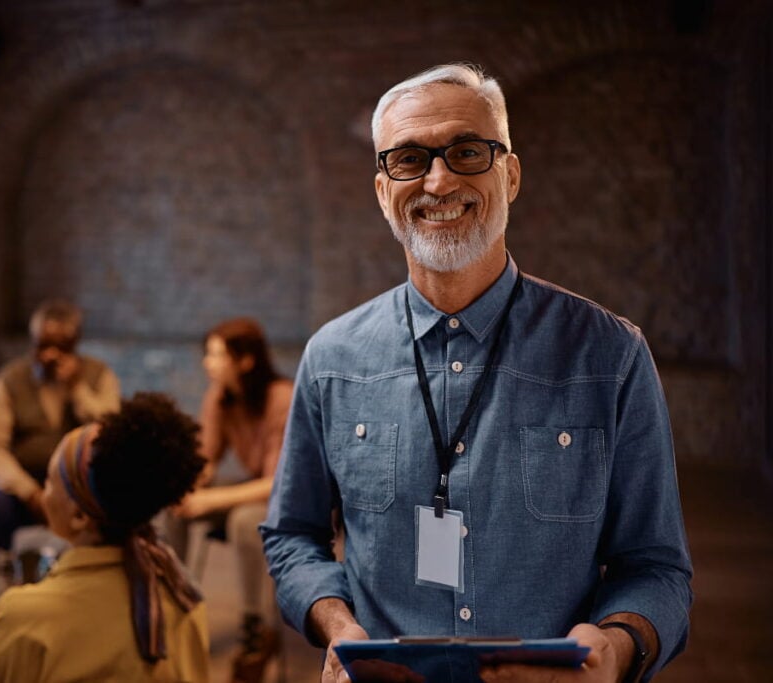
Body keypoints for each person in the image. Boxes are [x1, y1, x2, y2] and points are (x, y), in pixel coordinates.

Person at [260, 63, 692, 683]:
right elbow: (293, 536)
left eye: (466, 151)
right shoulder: (333, 358)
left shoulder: (609, 356)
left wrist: (616, 648)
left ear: (510, 175)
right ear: (383, 190)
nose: (437, 180)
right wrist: (338, 624)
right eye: (408, 159)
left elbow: (656, 566)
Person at [0, 392, 209, 683]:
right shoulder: (185, 600)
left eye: (50, 482)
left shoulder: (26, 621)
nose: (44, 491)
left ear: (78, 516)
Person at [168, 318, 293, 683]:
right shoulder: (220, 397)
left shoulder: (280, 399)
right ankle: (170, 599)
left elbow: (276, 484)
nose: (208, 363)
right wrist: (189, 484)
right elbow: (206, 458)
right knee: (174, 505)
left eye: (216, 355)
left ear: (245, 361)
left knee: (243, 519)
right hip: (250, 487)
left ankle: (257, 630)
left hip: (288, 498)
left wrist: (210, 500)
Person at [0, 298, 121, 549]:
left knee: (118, 509)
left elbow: (110, 431)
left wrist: (77, 389)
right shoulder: (11, 380)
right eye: (43, 346)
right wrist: (30, 493)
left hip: (82, 482)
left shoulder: (99, 374)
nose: (51, 355)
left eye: (61, 347)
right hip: (26, 483)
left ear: (75, 345)